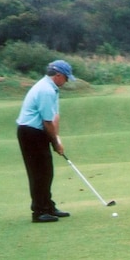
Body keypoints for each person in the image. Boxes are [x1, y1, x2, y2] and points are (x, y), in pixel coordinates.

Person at [16, 60, 76, 223]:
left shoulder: (52, 88)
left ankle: (48, 206)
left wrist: (57, 140)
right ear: (58, 75)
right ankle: (39, 211)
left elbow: (55, 117)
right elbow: (47, 122)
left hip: (38, 132)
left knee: (46, 171)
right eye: (66, 77)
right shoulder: (46, 90)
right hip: (30, 132)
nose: (67, 81)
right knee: (38, 173)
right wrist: (55, 143)